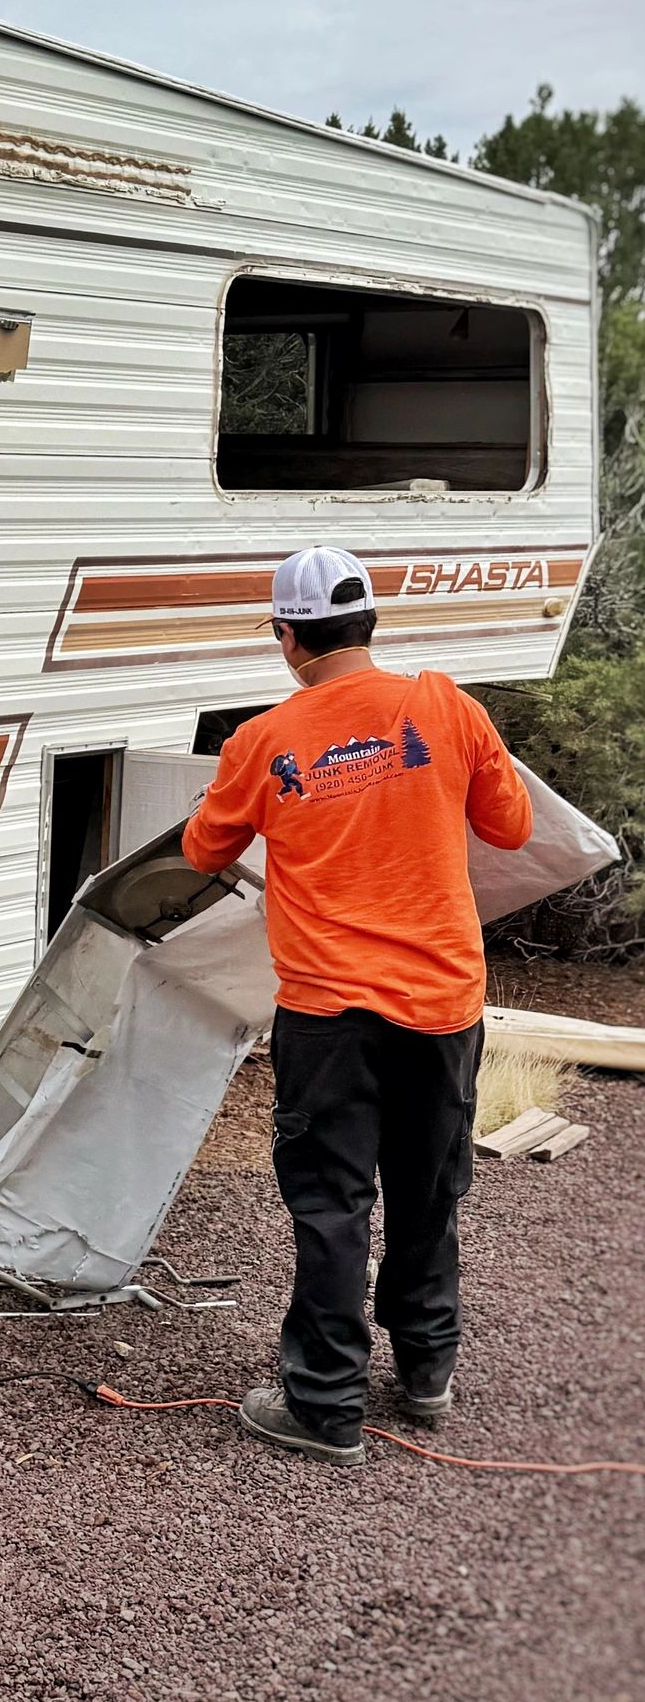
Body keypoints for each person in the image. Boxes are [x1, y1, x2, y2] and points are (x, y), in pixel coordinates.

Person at [180, 545, 533, 1465]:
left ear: (287, 638)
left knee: (333, 1202)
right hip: (443, 1004)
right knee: (429, 1187)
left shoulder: (261, 743)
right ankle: (426, 1371)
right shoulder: (446, 706)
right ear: (370, 624)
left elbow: (201, 852)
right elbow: (513, 826)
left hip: (330, 1013)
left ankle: (326, 1404)